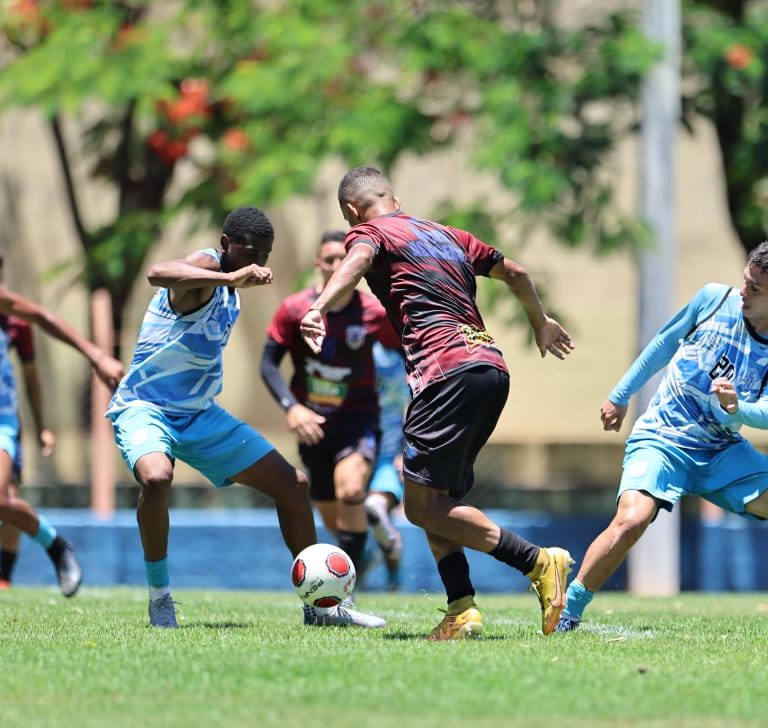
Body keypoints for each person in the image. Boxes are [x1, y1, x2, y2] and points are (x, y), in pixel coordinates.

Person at [299, 166, 576, 639]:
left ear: (350, 211)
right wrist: (540, 321)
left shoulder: (370, 232)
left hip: (445, 372)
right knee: (433, 496)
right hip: (489, 366)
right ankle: (461, 607)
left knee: (421, 506)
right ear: (396, 197)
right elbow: (517, 272)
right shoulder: (449, 234)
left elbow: (359, 260)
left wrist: (318, 305)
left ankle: (538, 562)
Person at [106, 208, 384, 629]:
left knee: (294, 485)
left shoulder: (229, 292)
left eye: (265, 255)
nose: (258, 264)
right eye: (250, 253)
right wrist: (229, 278)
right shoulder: (207, 268)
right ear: (225, 245)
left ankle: (322, 608)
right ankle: (160, 596)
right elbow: (159, 272)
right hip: (145, 407)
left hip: (199, 415)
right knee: (158, 476)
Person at [557, 241, 768, 631]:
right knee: (632, 521)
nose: (744, 291)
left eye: (755, 288)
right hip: (663, 439)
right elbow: (664, 342)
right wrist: (620, 396)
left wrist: (739, 409)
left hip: (722, 451)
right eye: (745, 281)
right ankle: (567, 609)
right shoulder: (713, 300)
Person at [260, 229, 400, 580]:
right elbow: (267, 364)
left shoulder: (373, 313)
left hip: (359, 422)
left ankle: (345, 590)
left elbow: (405, 353)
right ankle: (362, 558)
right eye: (331, 259)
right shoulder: (294, 310)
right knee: (333, 520)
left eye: (345, 258)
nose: (339, 264)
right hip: (314, 429)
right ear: (318, 264)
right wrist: (291, 407)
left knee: (351, 490)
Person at [0, 271, 124, 597]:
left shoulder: (12, 317)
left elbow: (41, 317)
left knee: (1, 498)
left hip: (2, 420)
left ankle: (54, 545)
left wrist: (96, 355)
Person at [0, 282, 56, 589]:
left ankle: (4, 577)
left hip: (5, 419)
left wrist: (42, 426)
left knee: (6, 493)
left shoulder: (18, 322)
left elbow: (31, 378)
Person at [363, 340, 410, 591]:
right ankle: (367, 563)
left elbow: (415, 409)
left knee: (375, 508)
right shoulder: (354, 351)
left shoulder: (403, 359)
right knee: (363, 516)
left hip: (388, 454)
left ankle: (393, 577)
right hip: (355, 450)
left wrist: (408, 451)